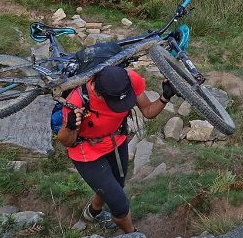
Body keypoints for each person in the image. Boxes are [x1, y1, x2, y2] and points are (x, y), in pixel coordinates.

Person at [55, 65, 176, 234]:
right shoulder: (77, 101)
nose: (121, 105)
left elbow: (148, 111)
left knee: (115, 187)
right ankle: (132, 233)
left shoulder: (130, 80)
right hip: (87, 153)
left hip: (116, 142)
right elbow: (66, 142)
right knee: (120, 206)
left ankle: (93, 212)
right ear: (98, 93)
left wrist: (165, 97)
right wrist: (69, 126)